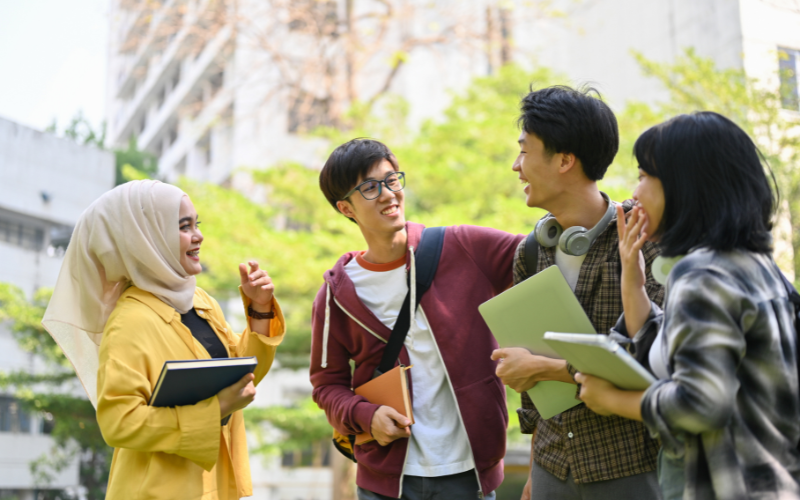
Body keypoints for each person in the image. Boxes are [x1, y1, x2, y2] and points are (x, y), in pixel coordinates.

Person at [576, 111, 800, 500]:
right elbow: (682, 356)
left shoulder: (703, 274)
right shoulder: (754, 265)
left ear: (685, 186)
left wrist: (611, 400)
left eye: (645, 176)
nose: (635, 193)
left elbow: (701, 402)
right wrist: (633, 279)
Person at [42, 180, 286, 500]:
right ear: (146, 238)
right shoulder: (129, 323)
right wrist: (217, 408)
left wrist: (260, 308)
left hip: (210, 486)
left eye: (197, 224)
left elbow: (242, 371)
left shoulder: (199, 301)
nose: (198, 236)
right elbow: (119, 422)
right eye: (184, 226)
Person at [310, 138, 523, 499]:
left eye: (392, 180)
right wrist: (366, 415)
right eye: (370, 187)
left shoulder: (463, 247)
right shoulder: (336, 295)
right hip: (385, 480)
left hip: (469, 472)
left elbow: (543, 253)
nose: (388, 194)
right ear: (346, 208)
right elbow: (326, 386)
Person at [490, 86, 665, 499]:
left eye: (524, 151)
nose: (517, 167)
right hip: (553, 468)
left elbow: (653, 358)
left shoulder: (645, 239)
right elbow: (536, 397)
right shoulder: (529, 252)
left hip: (631, 467)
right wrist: (535, 470)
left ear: (565, 160)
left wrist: (543, 366)